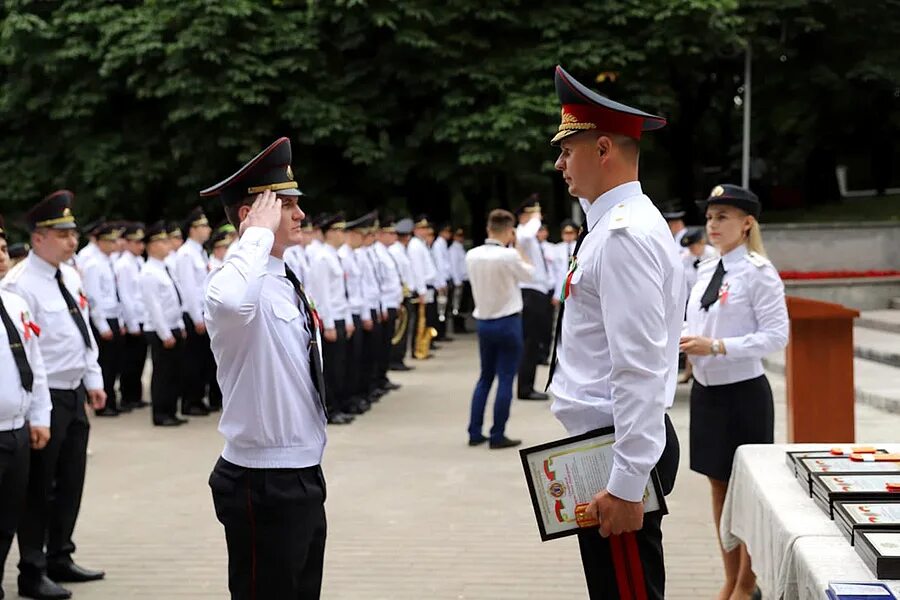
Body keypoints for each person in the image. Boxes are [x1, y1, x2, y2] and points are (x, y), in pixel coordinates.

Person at [546, 65, 683, 599]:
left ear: (602, 148)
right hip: (608, 445)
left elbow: (638, 367)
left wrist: (627, 484)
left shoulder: (623, 235)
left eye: (567, 149)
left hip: (618, 451)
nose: (559, 164)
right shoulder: (612, 225)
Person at [201, 137, 328, 599]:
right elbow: (233, 302)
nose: (299, 214)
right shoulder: (232, 283)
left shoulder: (281, 276)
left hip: (302, 468)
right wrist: (255, 233)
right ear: (249, 217)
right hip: (262, 479)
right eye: (285, 205)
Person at [681, 184, 788, 600]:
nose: (713, 224)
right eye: (710, 217)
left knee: (749, 492)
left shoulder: (759, 272)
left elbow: (777, 335)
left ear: (747, 224)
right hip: (708, 393)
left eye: (722, 216)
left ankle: (747, 581)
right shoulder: (705, 269)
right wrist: (689, 344)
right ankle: (731, 577)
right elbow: (701, 325)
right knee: (718, 486)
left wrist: (719, 347)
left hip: (744, 392)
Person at [3, 190, 107, 600]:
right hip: (43, 400)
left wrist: (94, 379)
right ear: (38, 238)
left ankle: (61, 552)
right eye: (62, 233)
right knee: (38, 488)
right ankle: (34, 567)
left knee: (71, 482)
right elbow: (27, 354)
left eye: (73, 232)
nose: (71, 240)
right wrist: (35, 412)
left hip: (74, 391)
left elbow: (84, 329)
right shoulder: (20, 284)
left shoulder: (71, 276)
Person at [0, 216, 52, 600]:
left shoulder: (15, 304)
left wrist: (39, 416)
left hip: (17, 430)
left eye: (3, 249)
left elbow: (35, 365)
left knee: (7, 519)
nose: (1, 257)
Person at [465, 209, 534, 450]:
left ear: (488, 229)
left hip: (483, 321)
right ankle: (497, 433)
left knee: (485, 377)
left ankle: (474, 431)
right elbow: (531, 274)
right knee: (505, 378)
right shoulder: (508, 256)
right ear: (509, 231)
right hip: (507, 320)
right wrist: (518, 248)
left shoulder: (471, 255)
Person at [306, 214, 355, 425]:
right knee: (332, 368)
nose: (343, 235)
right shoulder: (322, 258)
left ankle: (340, 404)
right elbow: (322, 295)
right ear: (332, 233)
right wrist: (329, 324)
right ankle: (331, 409)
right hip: (331, 320)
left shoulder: (335, 256)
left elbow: (341, 293)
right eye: (340, 231)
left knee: (342, 365)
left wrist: (348, 319)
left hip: (340, 316)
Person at [140, 222, 188, 427]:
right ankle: (161, 413)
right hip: (160, 330)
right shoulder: (149, 272)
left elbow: (174, 300)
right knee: (162, 374)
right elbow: (154, 307)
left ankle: (171, 410)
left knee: (174, 373)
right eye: (161, 241)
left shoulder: (165, 267)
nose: (167, 244)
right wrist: (165, 333)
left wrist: (179, 325)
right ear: (151, 246)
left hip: (173, 326)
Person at [81, 223, 125, 416]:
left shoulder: (109, 262)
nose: (115, 244)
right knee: (105, 364)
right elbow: (94, 298)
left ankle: (112, 401)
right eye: (110, 241)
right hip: (103, 319)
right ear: (99, 242)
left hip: (114, 316)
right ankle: (103, 404)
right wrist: (102, 325)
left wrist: (121, 321)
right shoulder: (93, 264)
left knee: (114, 363)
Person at [176, 207, 216, 415]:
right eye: (204, 226)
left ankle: (198, 398)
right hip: (194, 315)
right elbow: (189, 289)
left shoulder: (199, 252)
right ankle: (190, 401)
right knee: (193, 361)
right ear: (193, 229)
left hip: (203, 313)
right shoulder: (185, 254)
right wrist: (196, 317)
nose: (208, 229)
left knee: (203, 360)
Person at [515, 197, 552, 401]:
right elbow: (529, 231)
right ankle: (525, 388)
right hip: (530, 292)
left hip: (537, 292)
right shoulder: (523, 233)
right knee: (530, 343)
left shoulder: (529, 238)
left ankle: (526, 385)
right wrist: (535, 218)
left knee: (534, 341)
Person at [114, 223, 150, 411]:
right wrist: (132, 323)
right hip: (133, 319)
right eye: (136, 242)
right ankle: (127, 396)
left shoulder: (139, 262)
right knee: (130, 361)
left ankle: (135, 395)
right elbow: (126, 296)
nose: (140, 246)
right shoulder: (124, 265)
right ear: (126, 243)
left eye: (141, 242)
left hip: (143, 316)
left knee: (139, 360)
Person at [338, 214, 371, 415]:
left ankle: (355, 396)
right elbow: (344, 292)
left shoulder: (354, 255)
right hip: (349, 312)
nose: (363, 238)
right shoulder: (342, 256)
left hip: (358, 311)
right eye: (360, 234)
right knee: (347, 362)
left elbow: (362, 288)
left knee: (358, 359)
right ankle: (346, 400)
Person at [388, 218, 416, 370]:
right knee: (400, 331)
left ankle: (399, 358)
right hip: (401, 295)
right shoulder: (396, 251)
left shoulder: (400, 250)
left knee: (404, 330)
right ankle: (396, 359)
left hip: (405, 293)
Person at [431, 223, 454, 341]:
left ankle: (442, 332)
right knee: (440, 309)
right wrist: (442, 283)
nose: (448, 234)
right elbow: (439, 265)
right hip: (441, 280)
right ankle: (439, 333)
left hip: (445, 278)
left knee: (444, 309)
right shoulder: (439, 245)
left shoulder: (443, 244)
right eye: (446, 232)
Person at [448, 227, 470, 334]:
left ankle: (462, 325)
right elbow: (454, 266)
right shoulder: (453, 249)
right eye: (459, 235)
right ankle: (457, 326)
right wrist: (457, 281)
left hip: (464, 279)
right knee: (457, 304)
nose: (461, 238)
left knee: (463, 305)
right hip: (459, 280)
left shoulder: (460, 248)